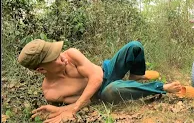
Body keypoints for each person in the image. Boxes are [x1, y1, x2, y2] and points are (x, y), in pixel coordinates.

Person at [17, 39, 184, 122]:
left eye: (57, 51)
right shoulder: (52, 92)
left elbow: (97, 76)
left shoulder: (71, 54)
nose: (62, 57)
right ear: (41, 69)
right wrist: (61, 110)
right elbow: (88, 101)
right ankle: (161, 87)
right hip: (103, 92)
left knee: (135, 46)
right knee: (114, 89)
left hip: (107, 70)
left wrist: (73, 108)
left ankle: (136, 75)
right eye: (55, 57)